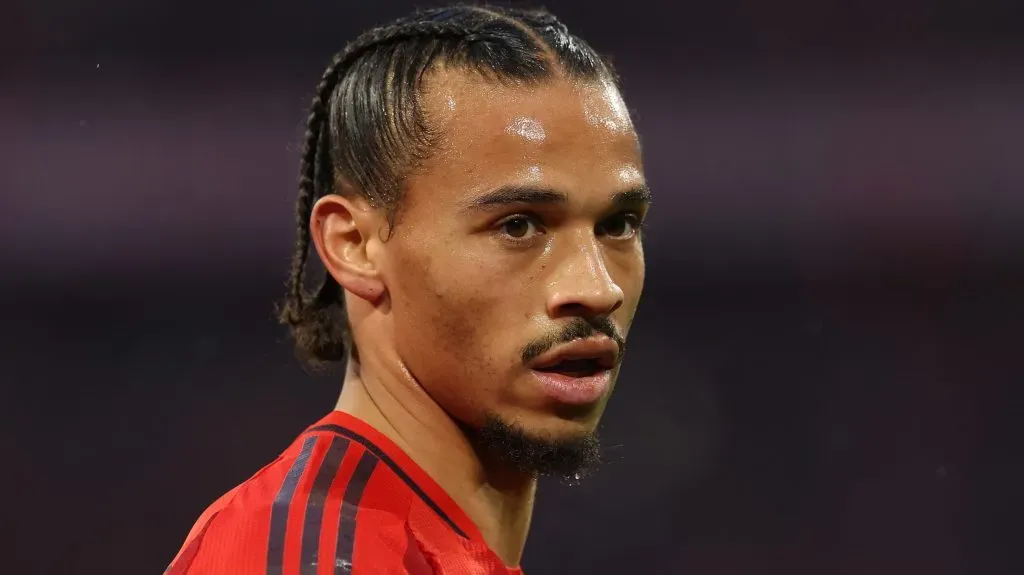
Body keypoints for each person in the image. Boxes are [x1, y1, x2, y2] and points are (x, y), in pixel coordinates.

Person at [166, 4, 649, 574]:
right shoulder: (313, 554)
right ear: (355, 245)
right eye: (518, 225)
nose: (597, 289)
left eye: (617, 225)